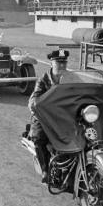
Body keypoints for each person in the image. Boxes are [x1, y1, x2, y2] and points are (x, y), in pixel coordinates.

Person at [28, 49, 69, 183]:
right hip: (45, 117)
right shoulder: (44, 80)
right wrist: (36, 105)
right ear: (52, 63)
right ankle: (45, 170)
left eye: (64, 62)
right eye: (58, 62)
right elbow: (33, 100)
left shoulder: (72, 78)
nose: (62, 65)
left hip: (65, 116)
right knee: (39, 138)